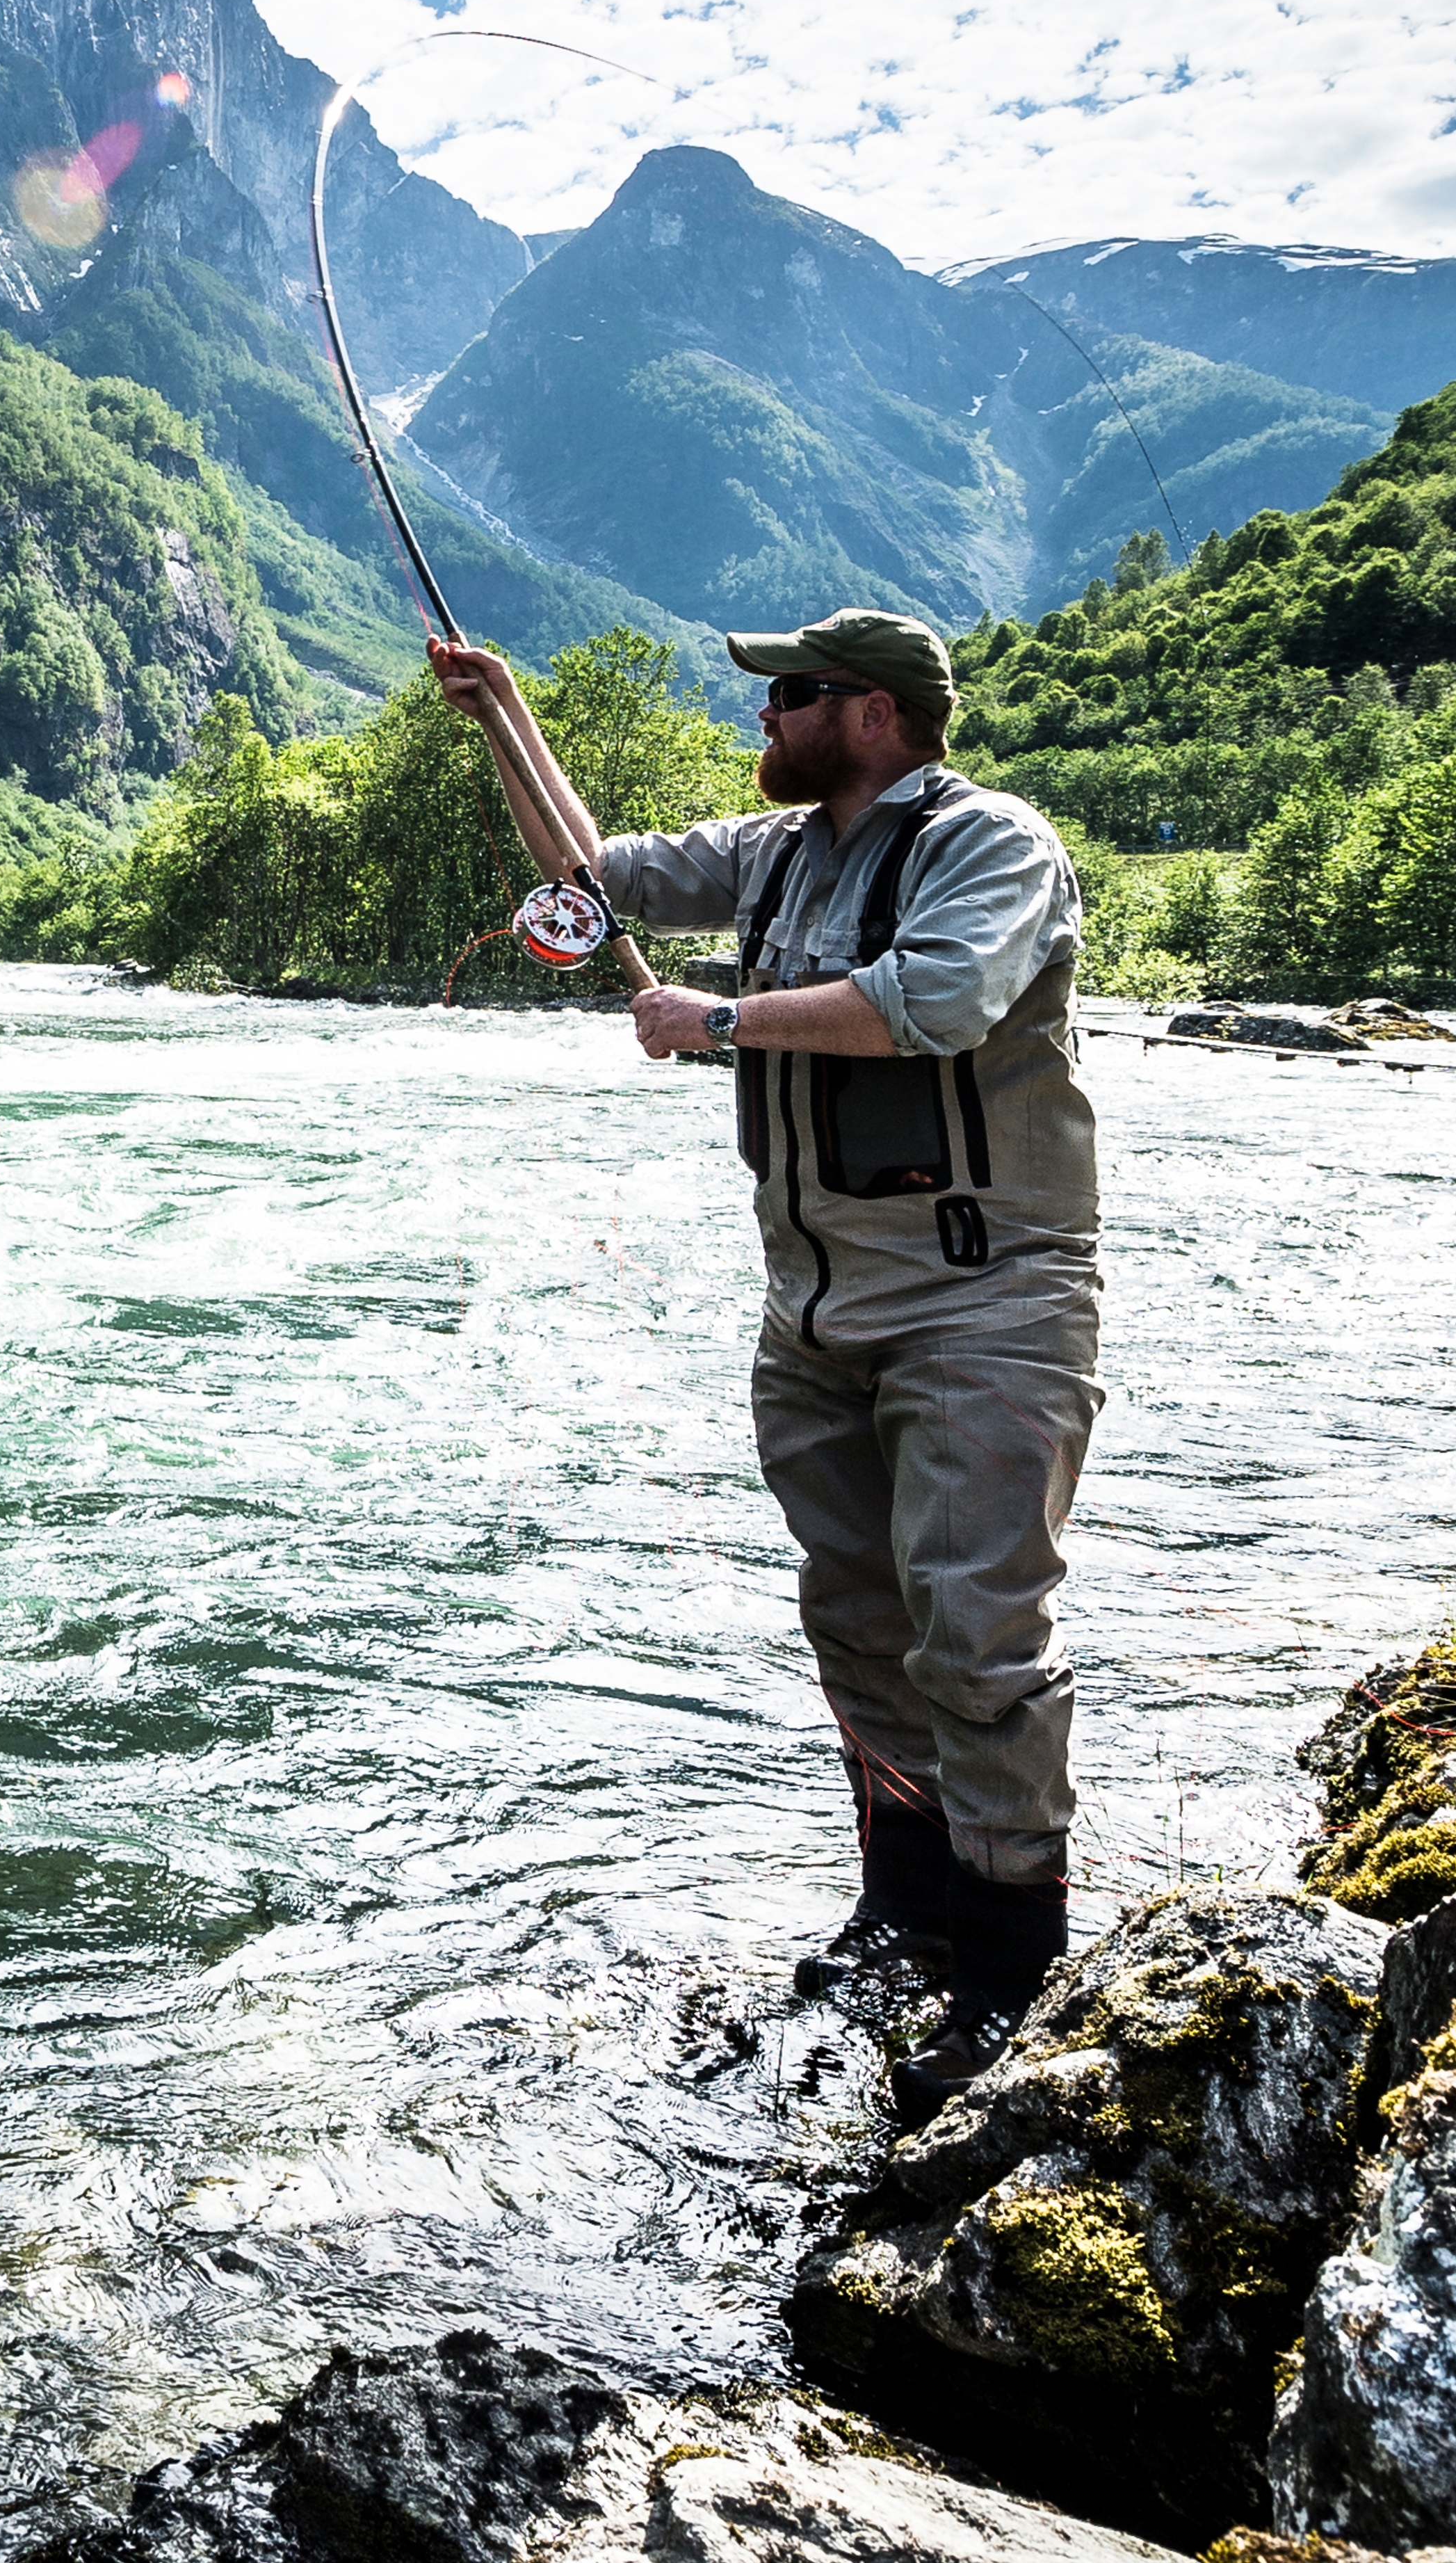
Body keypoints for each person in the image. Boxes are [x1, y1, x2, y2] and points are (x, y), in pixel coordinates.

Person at [430, 606, 1102, 2123]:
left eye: (789, 696)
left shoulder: (993, 845)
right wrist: (504, 717)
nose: (765, 719)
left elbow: (935, 1000)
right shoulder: (781, 851)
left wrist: (718, 1017)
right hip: (813, 1316)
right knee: (860, 1620)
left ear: (870, 715)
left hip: (984, 1304)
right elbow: (592, 883)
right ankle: (907, 1913)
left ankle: (1010, 1970)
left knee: (977, 1636)